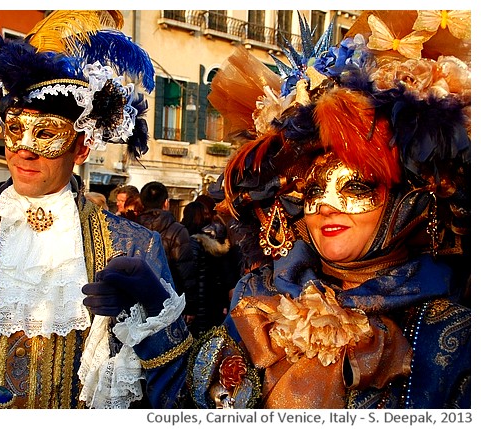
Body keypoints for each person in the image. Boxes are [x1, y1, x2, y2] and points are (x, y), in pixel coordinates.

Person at [84, 10, 470, 409]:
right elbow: (191, 405)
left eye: (356, 186)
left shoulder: (451, 334)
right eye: (314, 189)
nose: (324, 206)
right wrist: (155, 311)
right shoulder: (262, 301)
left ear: (412, 198)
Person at [0, 10, 191, 409]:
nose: (25, 148)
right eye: (15, 129)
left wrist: (154, 316)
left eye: (46, 133)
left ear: (82, 147)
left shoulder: (134, 248)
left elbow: (171, 395)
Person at [137, 181, 198, 324]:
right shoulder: (177, 230)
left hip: (138, 297)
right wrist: (190, 306)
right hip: (169, 300)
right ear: (166, 203)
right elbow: (185, 270)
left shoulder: (132, 227)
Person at [181, 201, 238, 337]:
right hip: (210, 301)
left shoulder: (188, 241)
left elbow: (190, 276)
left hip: (199, 301)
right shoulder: (212, 243)